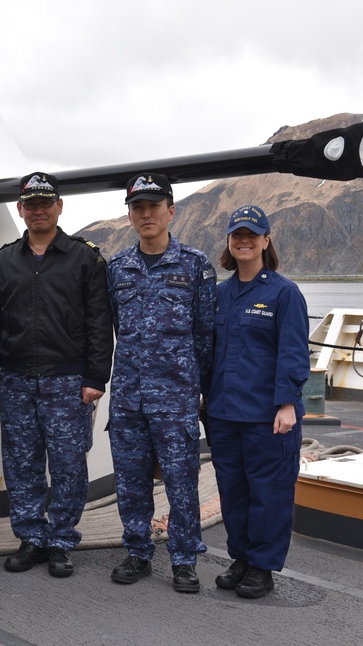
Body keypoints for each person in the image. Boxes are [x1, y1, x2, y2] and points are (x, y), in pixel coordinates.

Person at [0, 172, 113, 578]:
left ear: (59, 207)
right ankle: (31, 538)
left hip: (68, 381)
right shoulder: (4, 260)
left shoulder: (85, 258)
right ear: (20, 210)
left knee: (68, 464)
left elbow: (99, 322)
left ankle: (60, 540)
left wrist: (96, 378)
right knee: (21, 464)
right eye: (31, 204)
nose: (38, 210)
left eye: (46, 203)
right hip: (17, 379)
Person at [106, 173, 216, 593]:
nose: (146, 214)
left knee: (182, 480)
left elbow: (205, 334)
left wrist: (199, 388)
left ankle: (184, 559)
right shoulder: (118, 268)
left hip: (176, 395)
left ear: (171, 211)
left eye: (154, 206)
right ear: (130, 216)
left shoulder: (195, 265)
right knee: (130, 480)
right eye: (137, 207)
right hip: (130, 396)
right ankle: (138, 552)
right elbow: (114, 326)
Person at [205, 204, 310, 599]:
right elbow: (208, 351)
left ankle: (262, 566)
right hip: (223, 412)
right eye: (237, 235)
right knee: (232, 491)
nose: (244, 241)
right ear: (229, 244)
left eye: (252, 234)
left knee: (269, 492)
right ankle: (242, 557)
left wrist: (287, 403)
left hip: (268, 415)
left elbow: (294, 351)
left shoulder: (283, 293)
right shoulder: (219, 294)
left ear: (266, 241)